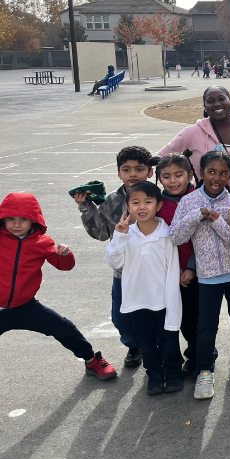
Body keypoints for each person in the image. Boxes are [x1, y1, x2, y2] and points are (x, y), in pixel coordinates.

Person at [0, 193, 118, 383]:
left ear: (34, 221)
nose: (16, 224)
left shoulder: (42, 242)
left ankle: (91, 360)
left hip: (26, 306)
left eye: (23, 219)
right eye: (10, 219)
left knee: (64, 328)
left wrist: (64, 254)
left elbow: (65, 266)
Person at [171, 150, 230, 400]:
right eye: (211, 172)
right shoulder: (188, 202)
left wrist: (217, 221)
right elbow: (176, 237)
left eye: (224, 173)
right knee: (206, 326)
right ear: (200, 173)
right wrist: (198, 215)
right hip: (207, 277)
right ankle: (205, 371)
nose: (217, 177)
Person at [73, 145, 157, 368]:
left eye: (139, 169)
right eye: (126, 169)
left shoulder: (158, 197)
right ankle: (133, 346)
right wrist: (86, 206)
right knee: (122, 316)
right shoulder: (111, 200)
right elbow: (100, 232)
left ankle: (157, 348)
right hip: (124, 272)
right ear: (118, 173)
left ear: (150, 172)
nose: (132, 174)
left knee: (155, 312)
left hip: (155, 270)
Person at [106, 181, 183, 395]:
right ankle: (155, 376)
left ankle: (174, 373)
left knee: (169, 340)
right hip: (137, 301)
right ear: (128, 207)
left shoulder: (167, 234)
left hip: (163, 301)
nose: (142, 207)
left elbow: (173, 271)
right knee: (146, 342)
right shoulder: (125, 233)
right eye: (135, 202)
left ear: (158, 206)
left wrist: (172, 302)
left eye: (148, 202)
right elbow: (114, 262)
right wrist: (120, 236)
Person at [158, 86, 230, 193]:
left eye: (221, 99)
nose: (217, 104)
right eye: (210, 101)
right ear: (205, 107)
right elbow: (161, 157)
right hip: (206, 201)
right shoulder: (192, 133)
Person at [155, 150, 202, 377]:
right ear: (158, 178)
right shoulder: (157, 204)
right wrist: (175, 269)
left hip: (201, 270)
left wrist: (191, 267)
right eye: (166, 176)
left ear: (191, 175)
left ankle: (202, 355)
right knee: (181, 318)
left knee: (200, 316)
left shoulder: (199, 198)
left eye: (178, 174)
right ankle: (193, 353)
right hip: (171, 271)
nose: (173, 181)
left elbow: (200, 236)